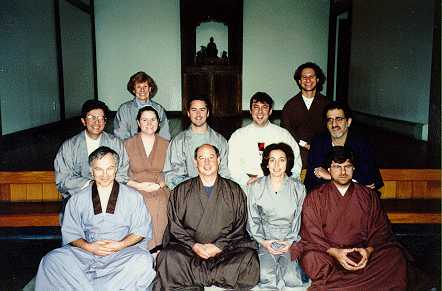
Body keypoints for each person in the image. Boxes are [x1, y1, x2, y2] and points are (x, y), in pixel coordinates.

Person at [36, 147, 155, 290]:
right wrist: (89, 247)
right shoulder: (77, 198)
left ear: (116, 169)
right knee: (51, 261)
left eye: (110, 168)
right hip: (87, 253)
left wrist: (120, 245)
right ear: (91, 171)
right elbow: (71, 232)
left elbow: (140, 230)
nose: (105, 175)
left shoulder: (133, 197)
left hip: (120, 253)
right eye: (99, 169)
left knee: (143, 261)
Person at [290, 147, 407, 290]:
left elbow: (381, 229)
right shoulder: (315, 197)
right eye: (337, 167)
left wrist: (368, 251)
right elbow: (310, 233)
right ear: (329, 170)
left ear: (353, 168)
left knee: (395, 255)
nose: (343, 172)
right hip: (328, 254)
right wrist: (335, 252)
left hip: (361, 253)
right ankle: (364, 284)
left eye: (347, 166)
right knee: (311, 259)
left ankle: (333, 287)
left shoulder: (368, 195)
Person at [153, 144, 259, 290]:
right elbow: (175, 226)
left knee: (249, 258)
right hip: (190, 251)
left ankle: (193, 277)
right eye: (201, 158)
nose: (207, 162)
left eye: (211, 157)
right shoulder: (181, 191)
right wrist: (194, 246)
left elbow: (239, 226)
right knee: (167, 257)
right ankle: (214, 276)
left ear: (219, 160)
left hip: (225, 250)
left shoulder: (234, 190)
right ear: (195, 162)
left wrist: (218, 246)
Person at [247, 143, 310, 290]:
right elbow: (253, 219)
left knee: (291, 278)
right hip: (265, 237)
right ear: (266, 163)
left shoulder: (298, 188)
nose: (276, 165)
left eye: (281, 160)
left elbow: (299, 219)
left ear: (287, 163)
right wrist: (264, 242)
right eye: (272, 160)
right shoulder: (256, 187)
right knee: (265, 275)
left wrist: (289, 242)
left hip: (290, 238)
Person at [54, 99, 129, 200]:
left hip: (110, 195)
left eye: (100, 118)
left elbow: (123, 173)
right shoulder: (69, 146)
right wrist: (90, 184)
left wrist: (105, 185)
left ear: (105, 121)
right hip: (78, 196)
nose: (97, 122)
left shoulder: (115, 143)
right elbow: (63, 180)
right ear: (83, 121)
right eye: (91, 117)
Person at [304, 101, 383, 192]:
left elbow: (369, 180)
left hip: (356, 197)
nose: (334, 125)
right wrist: (351, 179)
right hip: (327, 196)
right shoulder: (319, 142)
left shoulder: (361, 142)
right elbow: (312, 179)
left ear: (348, 122)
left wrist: (331, 176)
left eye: (339, 119)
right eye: (330, 120)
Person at [228, 92, 301, 189]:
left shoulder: (283, 135)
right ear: (250, 110)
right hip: (246, 187)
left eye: (264, 107)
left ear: (270, 111)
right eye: (256, 107)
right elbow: (232, 165)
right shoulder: (238, 136)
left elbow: (296, 163)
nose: (260, 112)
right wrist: (246, 180)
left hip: (278, 186)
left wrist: (284, 182)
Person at [124, 106, 169, 251]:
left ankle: (160, 247)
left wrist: (161, 183)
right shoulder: (127, 144)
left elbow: (171, 170)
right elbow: (121, 173)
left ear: (158, 122)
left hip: (159, 186)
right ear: (138, 122)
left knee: (161, 201)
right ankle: (144, 248)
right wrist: (139, 186)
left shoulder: (167, 144)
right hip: (134, 186)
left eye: (153, 119)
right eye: (144, 120)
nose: (149, 123)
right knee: (143, 201)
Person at [163, 96, 229, 189]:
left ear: (208, 113)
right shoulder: (178, 142)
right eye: (194, 110)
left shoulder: (220, 141)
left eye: (202, 110)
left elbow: (224, 173)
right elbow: (171, 175)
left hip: (216, 191)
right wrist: (196, 188)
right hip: (187, 191)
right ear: (188, 113)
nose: (198, 114)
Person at [281, 62, 329, 168]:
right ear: (299, 81)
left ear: (317, 80)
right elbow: (286, 130)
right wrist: (304, 145)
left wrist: (318, 146)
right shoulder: (290, 106)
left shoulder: (327, 104)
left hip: (323, 150)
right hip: (298, 152)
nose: (308, 80)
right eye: (304, 77)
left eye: (311, 76)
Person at [114, 71, 170, 140]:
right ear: (134, 90)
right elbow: (121, 136)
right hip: (130, 148)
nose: (142, 90)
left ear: (150, 89)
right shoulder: (124, 109)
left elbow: (164, 135)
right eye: (138, 87)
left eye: (145, 86)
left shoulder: (159, 109)